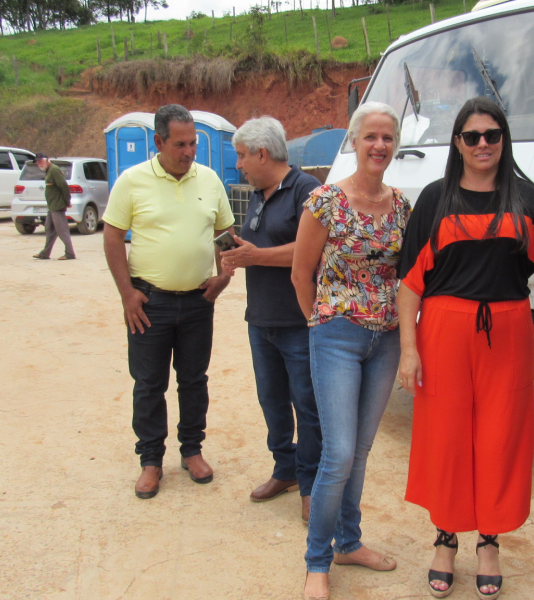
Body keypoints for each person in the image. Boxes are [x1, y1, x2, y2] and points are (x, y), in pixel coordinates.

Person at [397, 97, 534, 600]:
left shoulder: (525, 199)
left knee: (500, 436)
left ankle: (489, 541)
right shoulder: (436, 200)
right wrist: (408, 350)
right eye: (472, 136)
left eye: (492, 135)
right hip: (443, 331)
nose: (483, 144)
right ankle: (445, 539)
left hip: (507, 332)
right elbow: (409, 285)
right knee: (447, 437)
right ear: (457, 143)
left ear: (504, 140)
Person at [291, 101, 411, 600]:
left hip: (387, 338)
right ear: (355, 142)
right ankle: (317, 562)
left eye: (387, 138)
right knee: (338, 453)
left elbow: (407, 276)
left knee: (359, 451)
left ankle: (350, 541)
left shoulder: (402, 206)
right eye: (370, 137)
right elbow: (302, 273)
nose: (379, 146)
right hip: (336, 336)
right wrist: (319, 323)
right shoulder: (325, 201)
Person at [102, 104, 236, 499]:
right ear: (158, 142)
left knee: (194, 380)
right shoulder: (132, 181)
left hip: (198, 302)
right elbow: (112, 237)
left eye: (193, 142)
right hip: (150, 304)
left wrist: (224, 276)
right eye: (180, 144)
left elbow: (224, 232)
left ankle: (192, 451)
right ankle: (150, 461)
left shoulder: (210, 180)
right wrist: (127, 293)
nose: (189, 151)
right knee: (148, 384)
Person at [220, 116, 323, 522]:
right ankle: (285, 470)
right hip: (260, 320)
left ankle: (311, 484)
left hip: (297, 322)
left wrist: (256, 256)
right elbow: (263, 245)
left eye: (243, 156)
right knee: (272, 402)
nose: (240, 165)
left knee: (307, 405)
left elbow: (311, 249)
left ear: (263, 153)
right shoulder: (260, 195)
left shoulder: (307, 190)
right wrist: (239, 253)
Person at [32, 153, 75, 260]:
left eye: (40, 161)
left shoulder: (54, 170)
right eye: (37, 162)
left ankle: (70, 253)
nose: (39, 164)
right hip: (52, 206)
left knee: (62, 230)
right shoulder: (48, 171)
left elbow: (63, 186)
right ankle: (45, 253)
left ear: (46, 159)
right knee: (49, 228)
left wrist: (67, 201)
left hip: (57, 205)